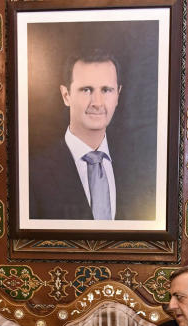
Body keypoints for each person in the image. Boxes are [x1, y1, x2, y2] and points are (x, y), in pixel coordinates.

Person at [28, 49, 154, 221]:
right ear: (66, 95)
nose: (97, 103)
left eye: (106, 90)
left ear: (118, 94)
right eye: (86, 90)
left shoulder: (141, 167)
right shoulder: (33, 174)